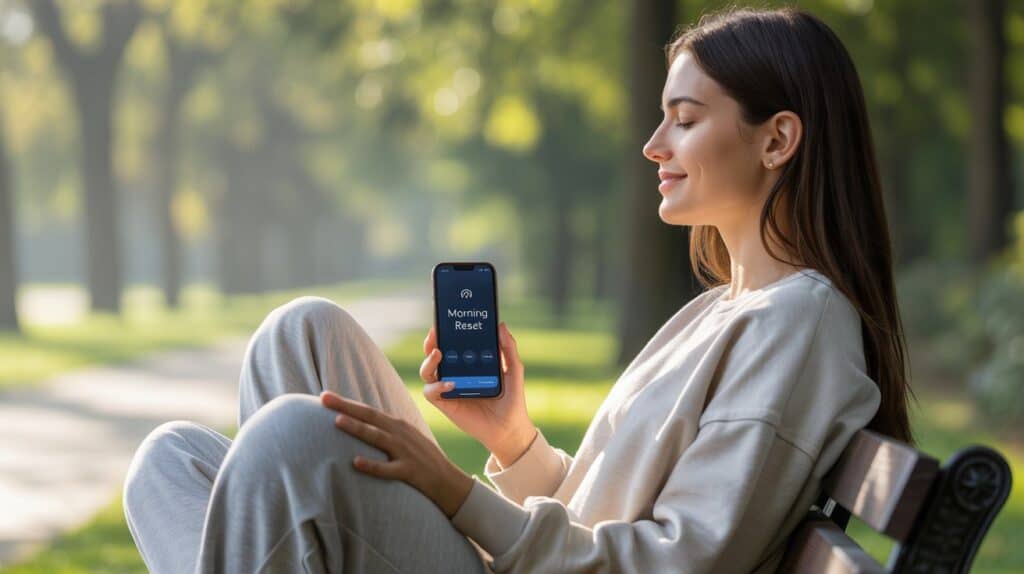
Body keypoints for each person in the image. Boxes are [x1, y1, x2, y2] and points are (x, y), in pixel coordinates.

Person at [122, 5, 915, 573]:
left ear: (777, 139)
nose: (653, 144)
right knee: (239, 394)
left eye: (684, 119)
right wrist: (514, 441)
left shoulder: (799, 324)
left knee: (294, 438)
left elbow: (675, 561)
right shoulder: (724, 308)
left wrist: (455, 493)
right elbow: (604, 507)